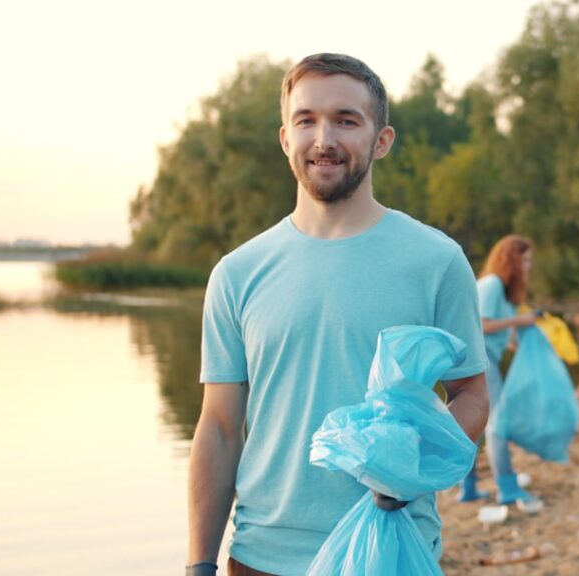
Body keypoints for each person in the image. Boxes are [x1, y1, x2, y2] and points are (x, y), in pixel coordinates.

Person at [185, 53, 489, 576]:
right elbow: (218, 427)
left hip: (391, 551)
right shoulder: (237, 273)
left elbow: (471, 397)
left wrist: (408, 468)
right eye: (306, 120)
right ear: (286, 139)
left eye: (346, 120)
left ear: (381, 140)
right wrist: (199, 564)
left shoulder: (436, 260)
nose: (324, 138)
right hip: (261, 557)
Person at [455, 235, 543, 508]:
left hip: (486, 358)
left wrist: (529, 342)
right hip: (476, 361)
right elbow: (482, 324)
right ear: (511, 260)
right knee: (498, 423)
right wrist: (519, 320)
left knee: (475, 428)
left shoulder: (505, 290)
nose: (528, 267)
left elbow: (507, 333)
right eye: (524, 260)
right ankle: (507, 488)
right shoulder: (492, 284)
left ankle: (468, 488)